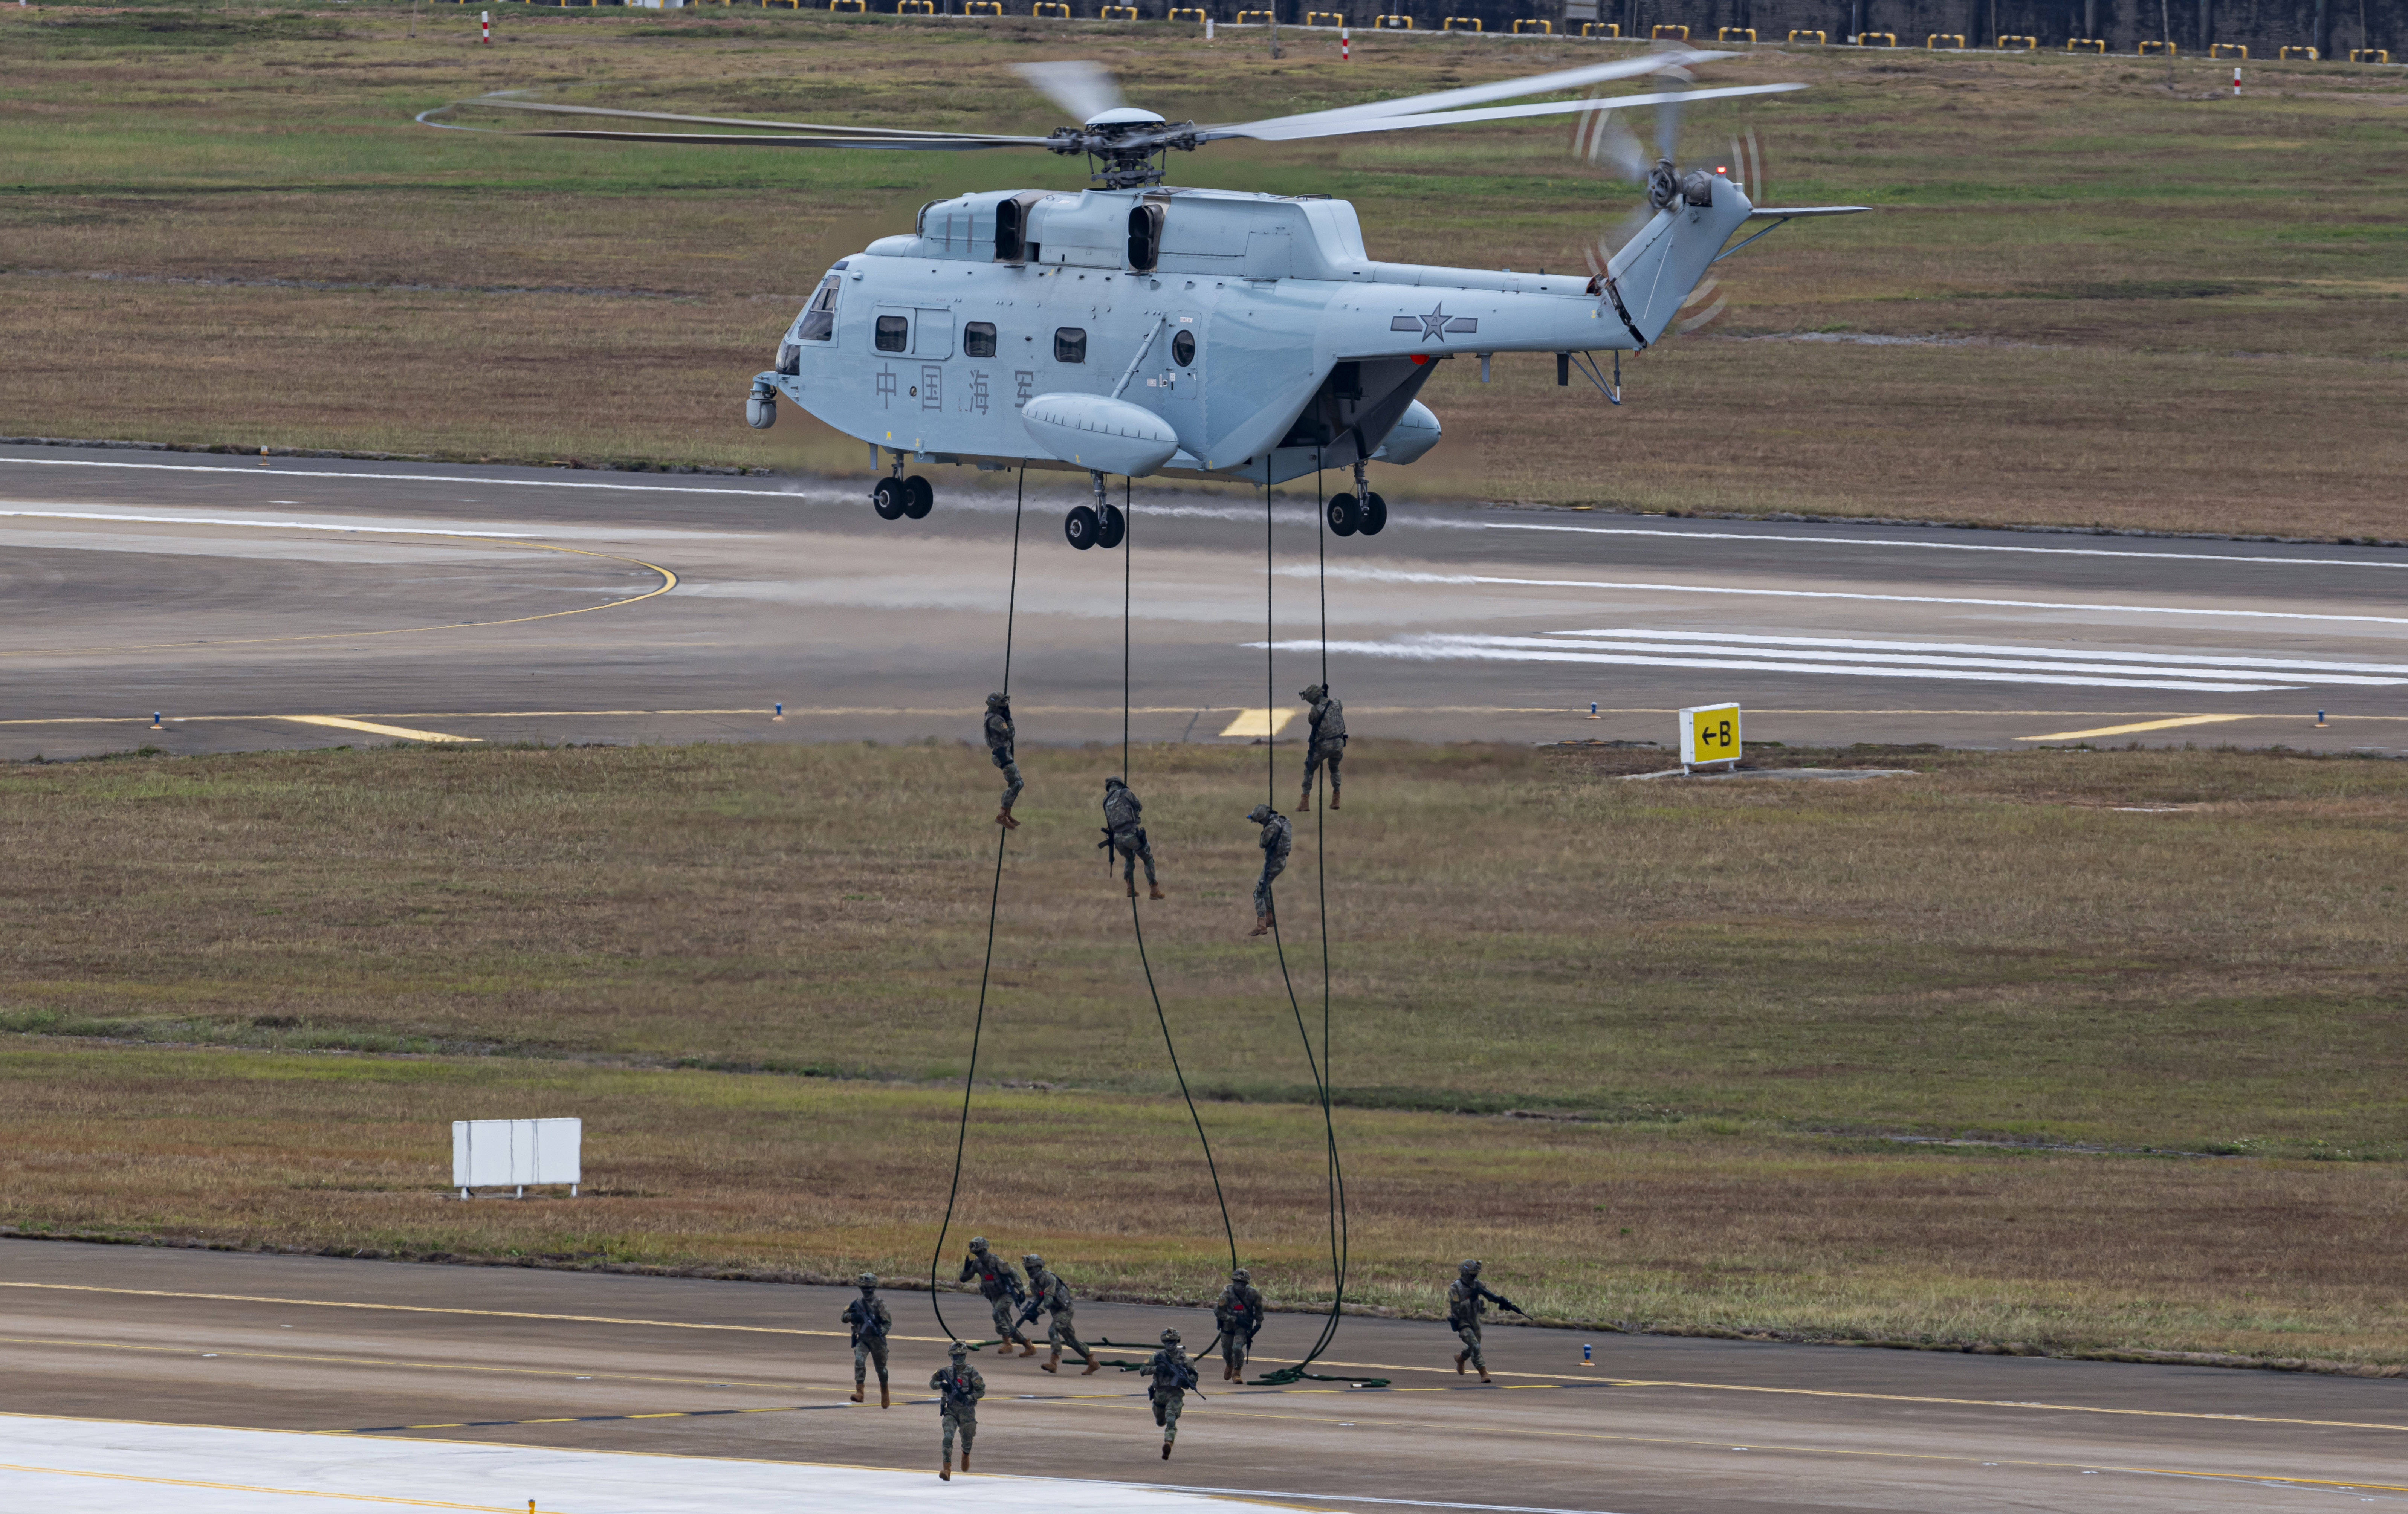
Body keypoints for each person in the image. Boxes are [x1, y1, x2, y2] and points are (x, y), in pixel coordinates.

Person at [1446, 1258, 1526, 1384]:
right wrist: (1470, 1300)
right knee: (1476, 1346)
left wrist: (1502, 1302)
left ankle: (1461, 1358)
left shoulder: (1478, 1284)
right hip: (1462, 1321)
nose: (1474, 1277)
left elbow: (1489, 1295)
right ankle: (1484, 1374)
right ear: (1465, 1273)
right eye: (1472, 1274)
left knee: (1474, 1345)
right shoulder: (1455, 1287)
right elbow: (1456, 1308)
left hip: (1474, 1319)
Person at [1020, 1253, 1100, 1376]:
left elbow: (1048, 1299)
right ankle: (1093, 1362)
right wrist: (1032, 1312)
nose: (1029, 1272)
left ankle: (1054, 1363)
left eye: (1031, 1268)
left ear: (1038, 1267)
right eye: (1027, 1269)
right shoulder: (1033, 1283)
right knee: (1071, 1342)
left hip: (1066, 1310)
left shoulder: (1050, 1279)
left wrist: (1039, 1311)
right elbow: (1038, 1300)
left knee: (1053, 1330)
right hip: (1056, 1312)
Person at [958, 1236, 1034, 1355]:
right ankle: (1028, 1346)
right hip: (993, 1296)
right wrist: (966, 1269)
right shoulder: (977, 1264)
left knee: (997, 1314)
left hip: (1006, 1294)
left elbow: (1013, 1274)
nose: (979, 1255)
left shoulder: (995, 1261)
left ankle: (1007, 1344)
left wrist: (1021, 1290)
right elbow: (964, 1279)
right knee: (1006, 1323)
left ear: (983, 1249)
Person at [1100, 776, 1164, 900]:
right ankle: (1154, 890)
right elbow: (1139, 806)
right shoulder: (1126, 793)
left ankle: (1130, 888)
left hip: (1118, 839)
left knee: (1129, 859)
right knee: (1148, 859)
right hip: (1130, 834)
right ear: (1120, 785)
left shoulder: (1105, 800)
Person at [931, 1340, 985, 1481]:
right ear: (952, 1357)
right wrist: (943, 1385)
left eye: (961, 1356)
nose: (959, 1359)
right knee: (948, 1437)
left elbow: (981, 1391)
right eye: (956, 1357)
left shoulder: (971, 1372)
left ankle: (965, 1454)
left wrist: (969, 1397)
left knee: (968, 1439)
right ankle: (947, 1470)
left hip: (967, 1412)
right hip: (951, 1411)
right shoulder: (946, 1372)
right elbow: (933, 1383)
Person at [1144, 1326, 1199, 1459]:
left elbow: (1195, 1376)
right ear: (1164, 1343)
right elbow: (1143, 1369)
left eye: (1173, 1342)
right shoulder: (1156, 1357)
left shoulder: (1185, 1360)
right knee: (1160, 1421)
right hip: (1159, 1394)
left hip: (1175, 1394)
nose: (1171, 1345)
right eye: (1168, 1342)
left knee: (1171, 1418)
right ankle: (1167, 1438)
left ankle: (1168, 1443)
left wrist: (1186, 1380)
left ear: (1177, 1342)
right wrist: (1158, 1368)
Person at [842, 1270, 892, 1407]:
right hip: (862, 1339)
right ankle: (860, 1393)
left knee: (881, 1370)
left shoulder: (879, 1304)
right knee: (859, 1361)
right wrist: (852, 1317)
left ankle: (885, 1393)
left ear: (874, 1288)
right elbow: (844, 1317)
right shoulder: (857, 1303)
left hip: (877, 1341)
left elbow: (888, 1323)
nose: (867, 1291)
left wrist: (880, 1332)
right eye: (864, 1289)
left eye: (869, 1289)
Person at [1296, 683, 1346, 812]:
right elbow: (1332, 711)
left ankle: (1305, 802)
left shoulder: (1315, 710)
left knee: (1309, 768)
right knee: (1334, 768)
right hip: (1339, 744)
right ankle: (1336, 798)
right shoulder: (1337, 703)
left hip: (1324, 745)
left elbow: (1312, 721)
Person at [1245, 803, 1291, 937]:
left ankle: (1262, 925)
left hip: (1274, 862)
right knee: (1265, 888)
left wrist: (1265, 829)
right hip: (1279, 861)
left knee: (1258, 892)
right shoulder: (1281, 821)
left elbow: (1262, 843)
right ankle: (1270, 918)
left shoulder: (1272, 827)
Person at [1213, 1266, 1265, 1383]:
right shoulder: (1226, 1294)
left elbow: (1259, 1308)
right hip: (1228, 1325)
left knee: (1237, 1348)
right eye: (1237, 1282)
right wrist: (1233, 1319)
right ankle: (1229, 1364)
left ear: (1246, 1283)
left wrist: (1259, 1323)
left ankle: (1237, 1372)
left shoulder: (1253, 1294)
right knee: (1227, 1351)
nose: (1239, 1285)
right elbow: (1218, 1311)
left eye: (1242, 1283)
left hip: (1244, 1326)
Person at [985, 692, 1022, 830]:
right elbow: (1010, 734)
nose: (1004, 706)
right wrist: (1009, 720)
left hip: (1004, 753)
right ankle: (1002, 815)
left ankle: (1006, 813)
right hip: (1002, 756)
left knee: (1016, 783)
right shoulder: (996, 720)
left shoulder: (993, 716)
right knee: (1017, 783)